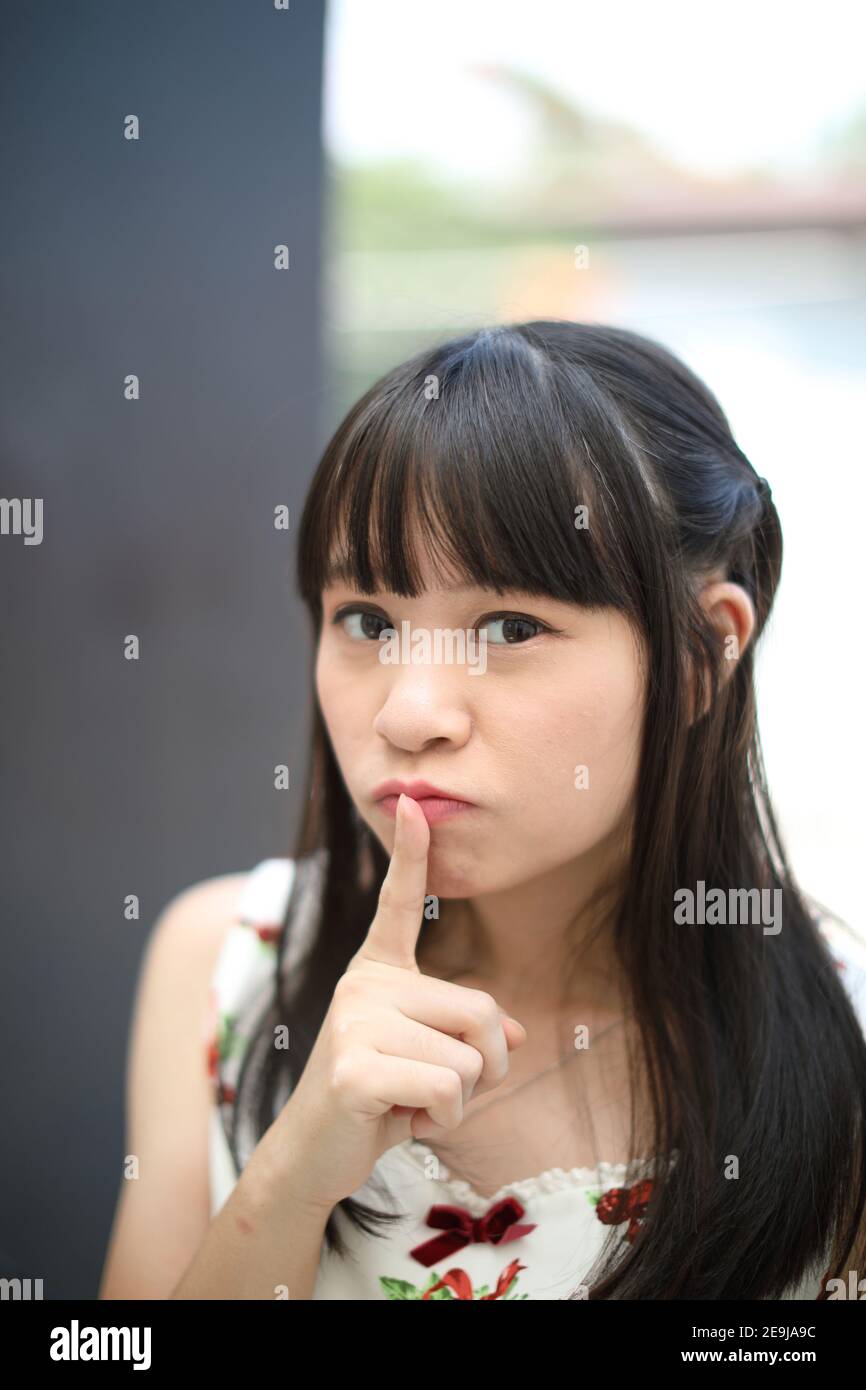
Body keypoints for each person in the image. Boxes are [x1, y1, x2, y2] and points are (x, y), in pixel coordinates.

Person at [99, 320, 866, 1300]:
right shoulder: (225, 966)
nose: (409, 712)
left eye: (509, 627)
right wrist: (289, 1179)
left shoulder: (841, 1058)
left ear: (698, 655)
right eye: (366, 620)